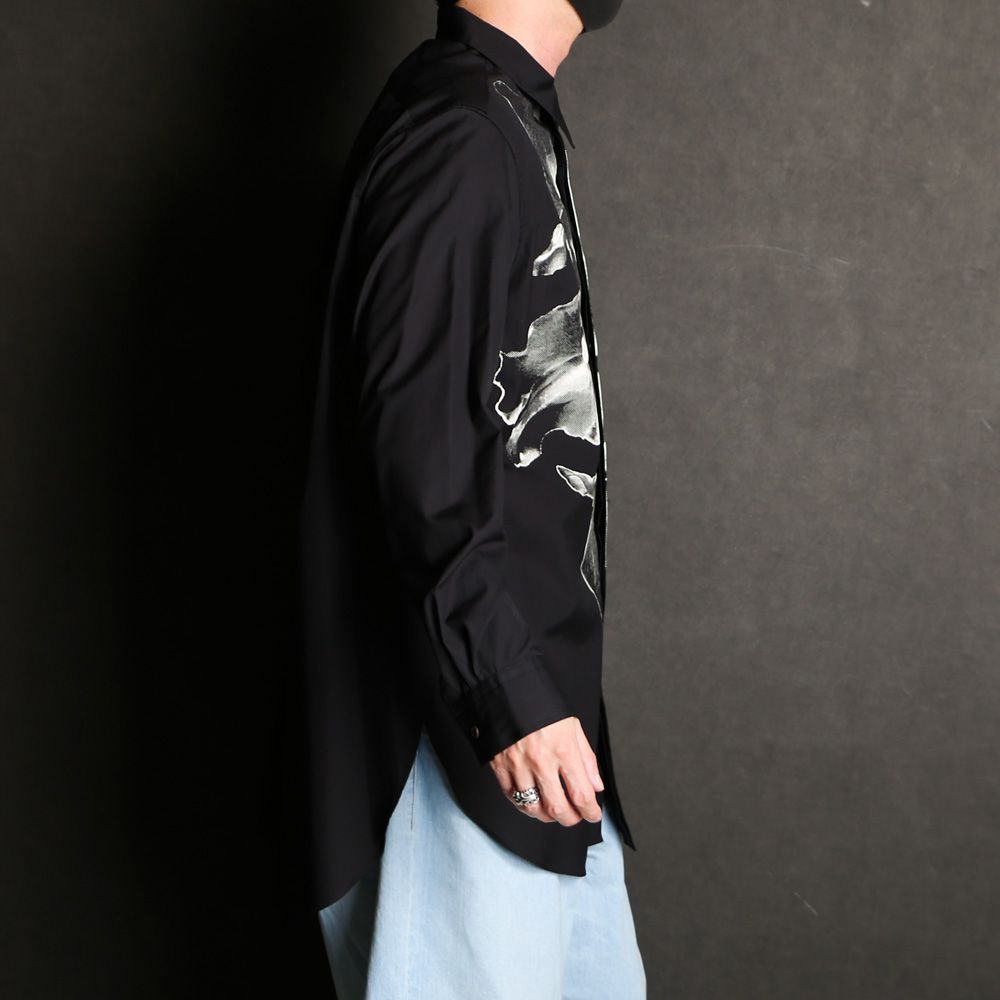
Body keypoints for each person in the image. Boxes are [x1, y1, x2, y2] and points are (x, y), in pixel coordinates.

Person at [296, 0, 644, 996]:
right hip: (461, 741)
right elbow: (422, 452)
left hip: (532, 734)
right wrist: (506, 694)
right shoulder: (459, 135)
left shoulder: (497, 121)